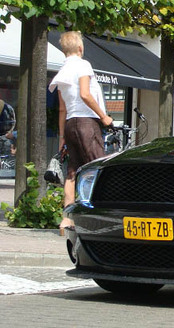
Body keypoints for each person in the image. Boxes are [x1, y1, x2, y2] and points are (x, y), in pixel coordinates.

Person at [48, 31, 113, 233]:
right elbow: (85, 94)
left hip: (70, 124)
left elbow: (62, 109)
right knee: (100, 168)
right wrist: (104, 117)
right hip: (87, 122)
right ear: (80, 48)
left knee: (72, 172)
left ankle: (66, 220)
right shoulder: (83, 65)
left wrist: (62, 137)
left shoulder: (62, 71)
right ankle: (102, 218)